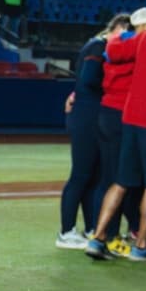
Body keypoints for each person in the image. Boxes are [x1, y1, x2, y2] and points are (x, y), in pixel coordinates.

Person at [84, 6, 146, 260]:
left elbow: (108, 54)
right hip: (141, 117)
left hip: (120, 116)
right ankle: (140, 243)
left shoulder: (116, 44)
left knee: (116, 181)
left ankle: (99, 237)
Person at [57, 13, 129, 249]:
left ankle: (90, 227)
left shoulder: (99, 45)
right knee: (80, 174)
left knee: (93, 176)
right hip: (86, 116)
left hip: (91, 115)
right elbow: (88, 80)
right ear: (117, 28)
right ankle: (66, 232)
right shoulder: (99, 46)